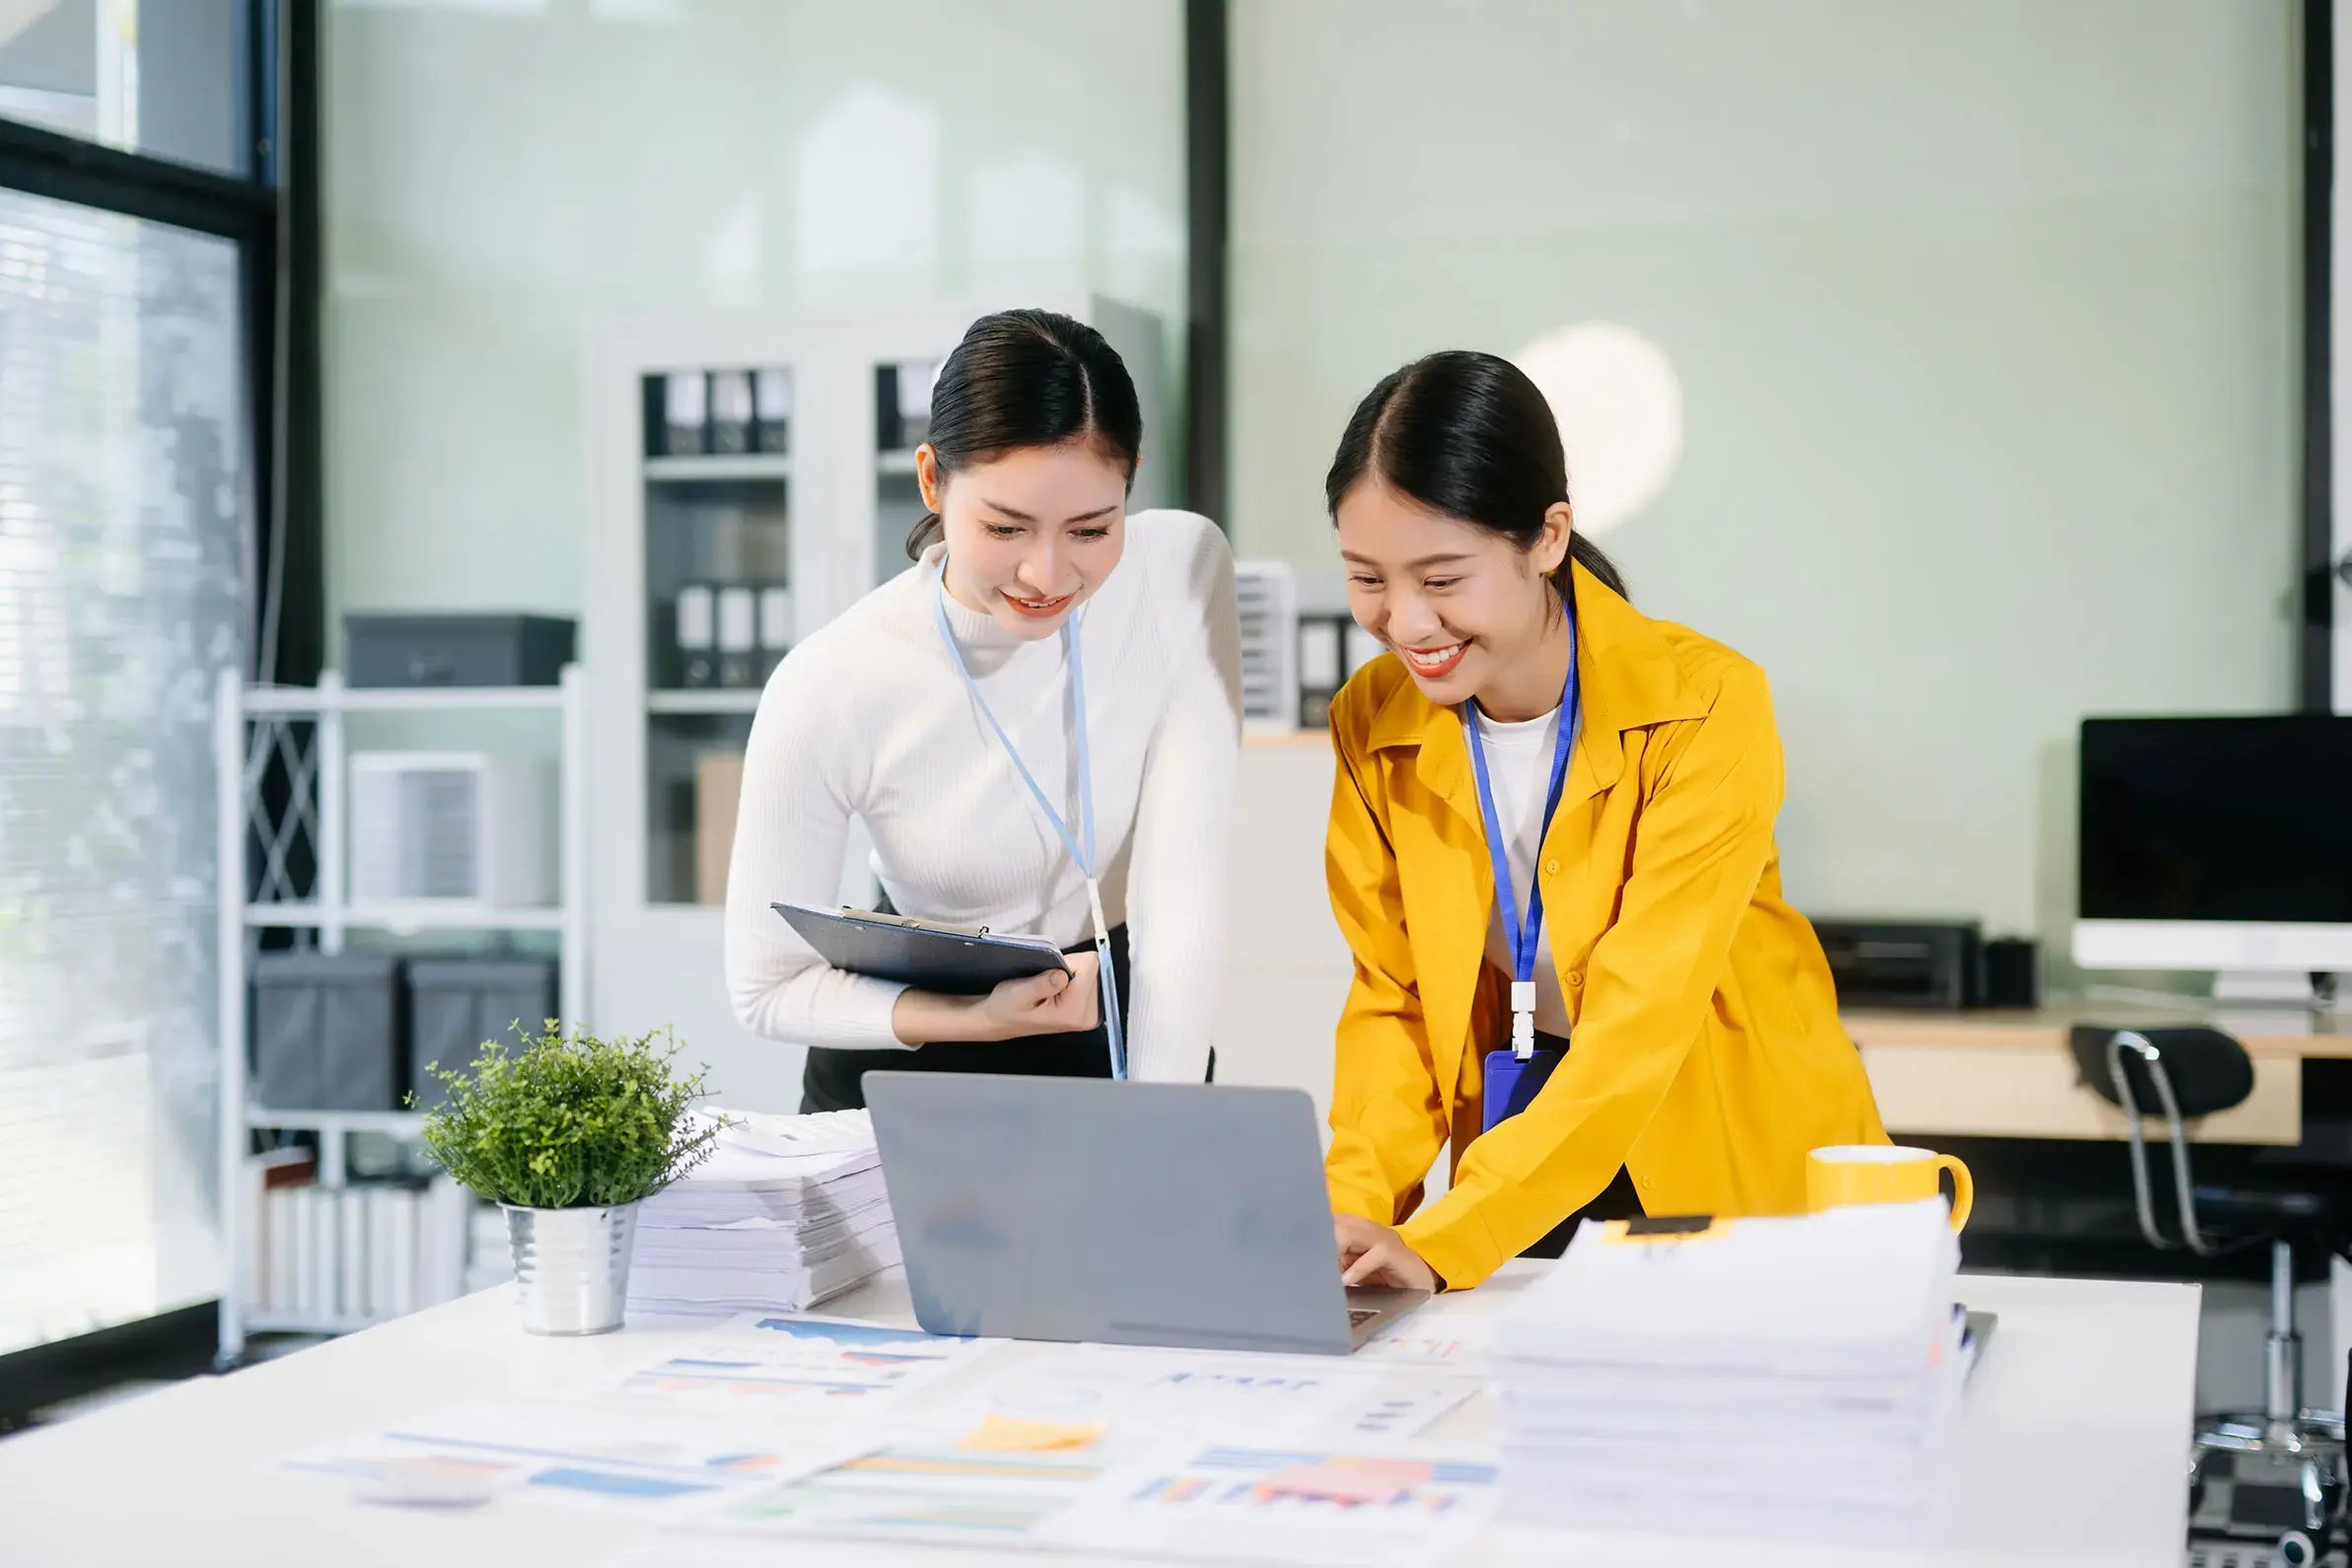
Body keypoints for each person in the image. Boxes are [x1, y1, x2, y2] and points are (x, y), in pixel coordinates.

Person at [1319, 350, 1887, 1293]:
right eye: (1366, 578)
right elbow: (1396, 1000)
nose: (1406, 622)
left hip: (1725, 1160)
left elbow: (1637, 1022)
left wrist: (1446, 1237)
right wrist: (1353, 1211)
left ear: (1547, 538)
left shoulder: (1705, 703)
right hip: (1521, 1167)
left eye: (1442, 578)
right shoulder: (1373, 719)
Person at [725, 308, 1240, 1110]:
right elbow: (764, 988)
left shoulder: (1176, 574)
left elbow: (1182, 892)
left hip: (1113, 1026)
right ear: (931, 480)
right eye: (1005, 526)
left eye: (1090, 528)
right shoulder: (832, 680)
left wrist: (1163, 1122)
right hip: (907, 1053)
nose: (1048, 573)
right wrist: (973, 1016)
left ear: (1129, 479)